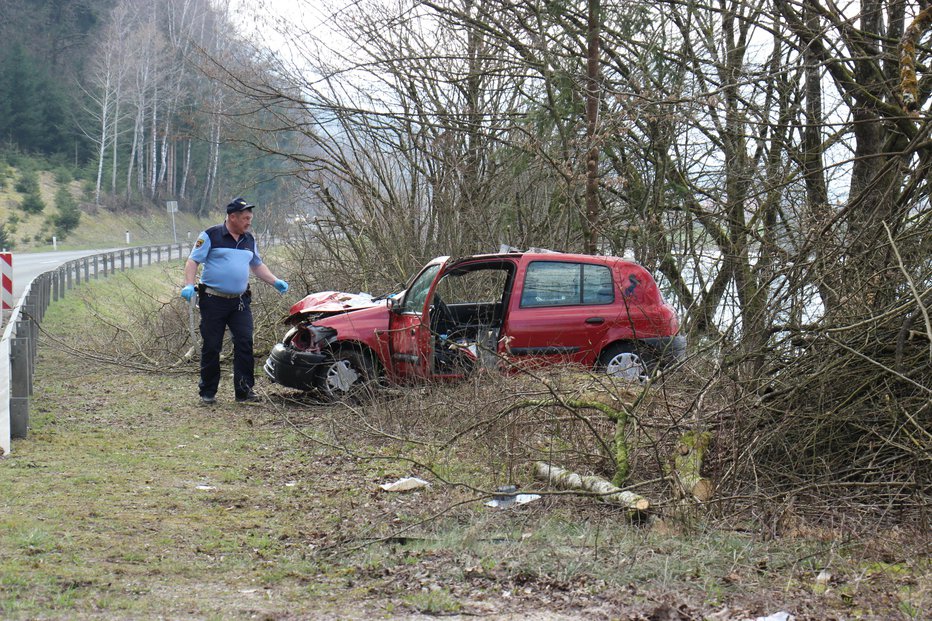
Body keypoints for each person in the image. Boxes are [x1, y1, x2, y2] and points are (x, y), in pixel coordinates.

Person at [180, 197, 289, 404]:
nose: (249, 222)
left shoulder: (249, 240)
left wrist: (275, 281)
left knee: (245, 342)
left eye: (250, 218)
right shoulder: (211, 235)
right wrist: (188, 284)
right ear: (232, 217)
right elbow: (193, 260)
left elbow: (257, 265)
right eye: (245, 218)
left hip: (240, 302)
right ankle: (208, 391)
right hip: (213, 300)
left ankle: (244, 391)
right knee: (212, 346)